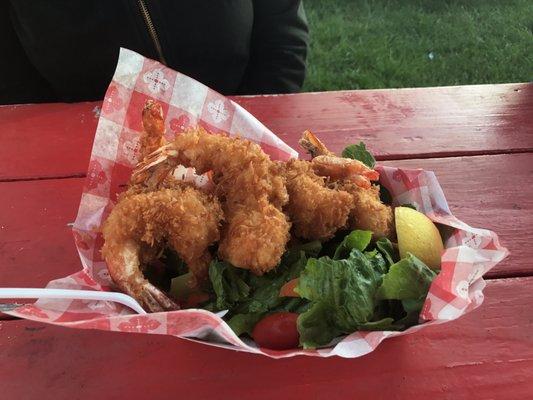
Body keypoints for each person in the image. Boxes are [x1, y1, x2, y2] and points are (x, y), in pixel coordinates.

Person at [0, 0, 308, 104]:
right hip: (81, 159)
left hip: (243, 129)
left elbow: (281, 28)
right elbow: (14, 88)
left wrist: (255, 123)